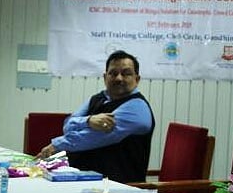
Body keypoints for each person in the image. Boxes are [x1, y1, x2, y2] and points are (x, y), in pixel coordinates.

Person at [38, 50, 155, 183]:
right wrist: (88, 121)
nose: (119, 78)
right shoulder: (98, 98)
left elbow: (93, 137)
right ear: (105, 77)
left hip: (118, 186)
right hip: (81, 178)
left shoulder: (137, 108)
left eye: (126, 73)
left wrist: (57, 145)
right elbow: (68, 125)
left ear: (137, 79)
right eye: (113, 73)